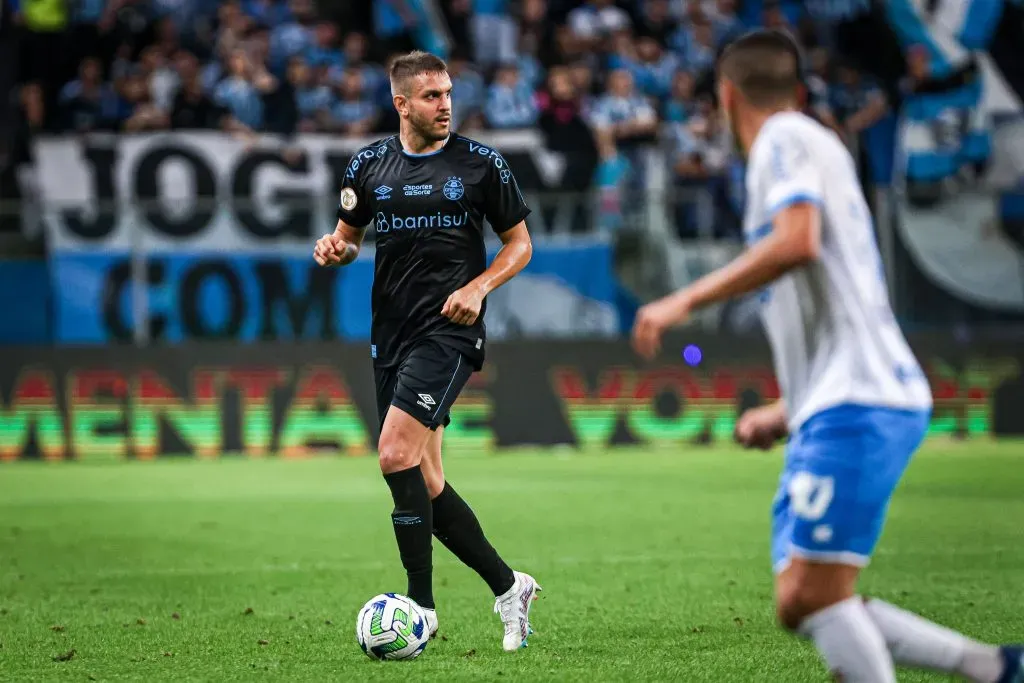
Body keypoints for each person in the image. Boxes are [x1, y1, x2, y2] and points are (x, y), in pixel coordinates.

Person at [631, 29, 1022, 683]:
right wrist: (789, 407)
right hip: (841, 396)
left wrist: (683, 302)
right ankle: (995, 667)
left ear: (727, 96)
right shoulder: (808, 145)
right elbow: (840, 295)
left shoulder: (784, 139)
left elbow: (798, 241)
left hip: (860, 399)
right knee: (803, 598)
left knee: (811, 593)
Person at [312, 50, 541, 652]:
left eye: (448, 94)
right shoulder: (367, 166)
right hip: (391, 335)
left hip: (451, 330)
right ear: (402, 103)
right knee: (427, 479)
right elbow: (347, 239)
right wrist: (333, 249)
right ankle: (508, 586)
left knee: (393, 454)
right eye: (432, 96)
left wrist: (478, 285)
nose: (445, 105)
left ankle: (420, 607)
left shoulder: (481, 165)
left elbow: (520, 245)